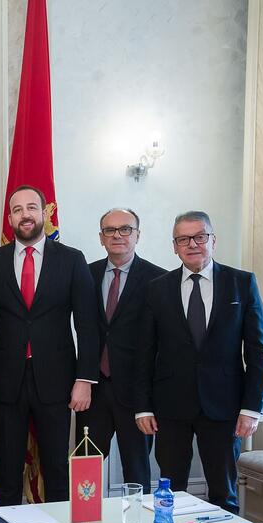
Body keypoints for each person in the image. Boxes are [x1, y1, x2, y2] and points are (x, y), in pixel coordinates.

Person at [134, 211, 263, 513]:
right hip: (170, 408)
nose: (192, 244)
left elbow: (259, 350)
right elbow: (144, 353)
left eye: (199, 237)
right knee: (170, 494)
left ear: (213, 240)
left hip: (224, 408)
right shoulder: (157, 288)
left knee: (224, 495)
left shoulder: (242, 283)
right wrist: (143, 406)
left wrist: (252, 408)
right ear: (175, 246)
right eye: (183, 239)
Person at [0, 185, 99, 504]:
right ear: (10, 218)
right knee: (7, 469)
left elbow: (88, 325)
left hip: (58, 381)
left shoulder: (72, 260)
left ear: (44, 213)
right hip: (6, 381)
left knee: (57, 468)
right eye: (17, 210)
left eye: (32, 208)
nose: (25, 215)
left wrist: (84, 380)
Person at [75, 209, 166, 493]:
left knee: (136, 470)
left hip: (136, 394)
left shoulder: (158, 279)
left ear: (137, 235)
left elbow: (161, 343)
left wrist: (150, 400)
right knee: (84, 470)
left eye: (125, 229)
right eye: (110, 230)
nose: (117, 235)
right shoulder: (85, 274)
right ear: (101, 238)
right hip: (93, 388)